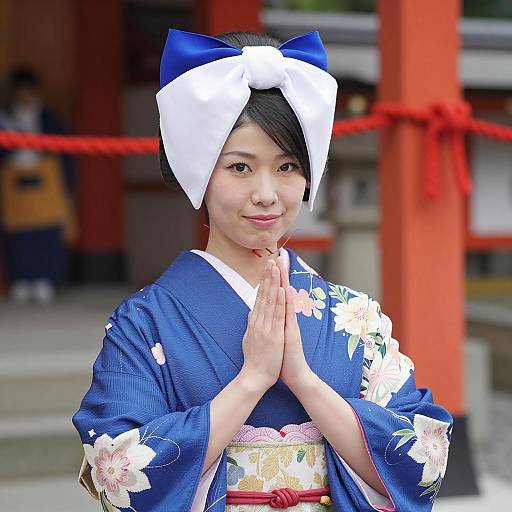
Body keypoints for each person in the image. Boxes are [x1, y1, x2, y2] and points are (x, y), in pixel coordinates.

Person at [72, 29, 452, 511]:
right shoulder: (145, 322)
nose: (267, 194)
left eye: (288, 166)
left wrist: (303, 380)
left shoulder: (356, 318)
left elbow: (423, 459)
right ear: (198, 172)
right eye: (240, 167)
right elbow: (117, 472)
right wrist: (252, 379)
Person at [0, 67, 77, 304]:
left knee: (46, 234)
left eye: (28, 91)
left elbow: (65, 152)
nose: (24, 96)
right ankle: (20, 280)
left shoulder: (48, 117)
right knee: (19, 235)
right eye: (20, 92)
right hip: (14, 181)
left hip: (46, 182)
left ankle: (47, 279)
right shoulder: (5, 117)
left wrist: (69, 185)